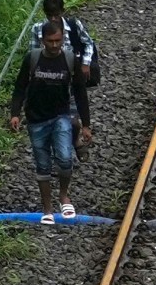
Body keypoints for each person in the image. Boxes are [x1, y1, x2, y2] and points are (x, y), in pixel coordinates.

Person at [9, 12, 93, 221]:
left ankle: (64, 196)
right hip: (36, 119)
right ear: (42, 40)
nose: (55, 45)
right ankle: (47, 210)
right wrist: (15, 113)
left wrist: (86, 124)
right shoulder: (33, 59)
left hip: (60, 116)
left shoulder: (70, 59)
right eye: (50, 41)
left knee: (64, 158)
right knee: (43, 165)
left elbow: (80, 93)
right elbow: (20, 87)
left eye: (58, 41)